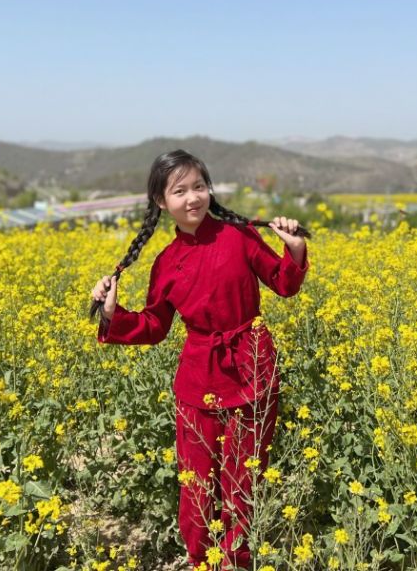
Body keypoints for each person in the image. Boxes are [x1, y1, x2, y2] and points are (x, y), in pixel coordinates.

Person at [90, 149, 309, 570]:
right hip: (198, 382)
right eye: (180, 191)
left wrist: (294, 250)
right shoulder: (166, 263)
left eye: (199, 187)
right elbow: (154, 326)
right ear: (160, 201)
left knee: (244, 487)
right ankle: (201, 563)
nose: (193, 198)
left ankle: (237, 563)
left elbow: (283, 284)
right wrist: (112, 314)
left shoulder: (240, 235)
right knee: (197, 493)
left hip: (252, 370)